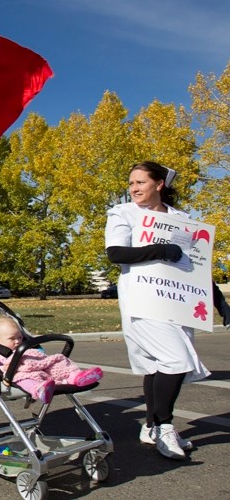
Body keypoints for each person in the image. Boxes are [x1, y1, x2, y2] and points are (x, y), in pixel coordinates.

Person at [104, 161, 213, 460]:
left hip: (178, 300)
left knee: (157, 365)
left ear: (159, 184)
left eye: (140, 182)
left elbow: (196, 263)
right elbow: (116, 253)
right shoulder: (123, 213)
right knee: (176, 359)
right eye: (131, 183)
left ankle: (151, 426)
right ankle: (165, 428)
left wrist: (218, 299)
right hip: (143, 299)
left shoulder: (182, 218)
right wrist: (160, 249)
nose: (134, 188)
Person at [0, 314, 103, 404]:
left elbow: (40, 356)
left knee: (58, 362)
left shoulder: (25, 346)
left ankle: (76, 376)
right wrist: (6, 368)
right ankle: (38, 389)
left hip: (39, 365)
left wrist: (42, 359)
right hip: (18, 373)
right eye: (12, 338)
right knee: (23, 379)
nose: (18, 341)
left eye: (20, 337)